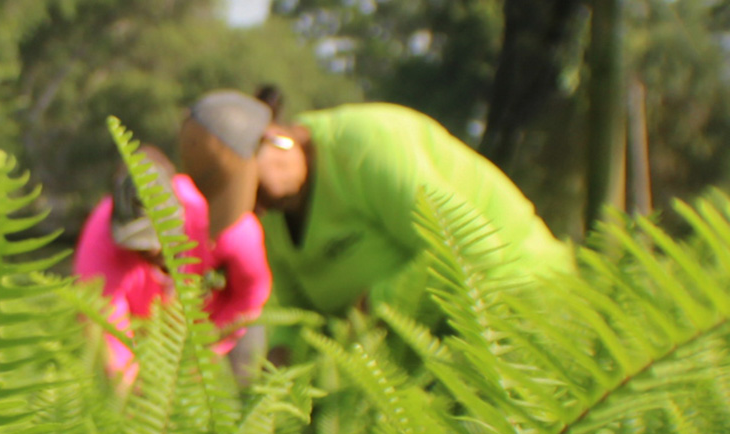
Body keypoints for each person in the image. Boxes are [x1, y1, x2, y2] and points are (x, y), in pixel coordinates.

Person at [178, 88, 572, 362]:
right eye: (243, 201)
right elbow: (297, 313)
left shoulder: (368, 145)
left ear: (274, 139)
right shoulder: (274, 215)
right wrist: (283, 358)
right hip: (429, 359)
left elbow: (470, 249)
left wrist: (370, 307)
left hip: (523, 309)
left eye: (253, 189)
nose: (256, 208)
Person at [73, 145, 272, 388]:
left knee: (248, 392)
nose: (154, 250)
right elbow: (110, 338)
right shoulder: (99, 239)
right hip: (149, 329)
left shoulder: (221, 218)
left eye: (160, 236)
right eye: (141, 243)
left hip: (224, 321)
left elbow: (251, 293)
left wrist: (206, 350)